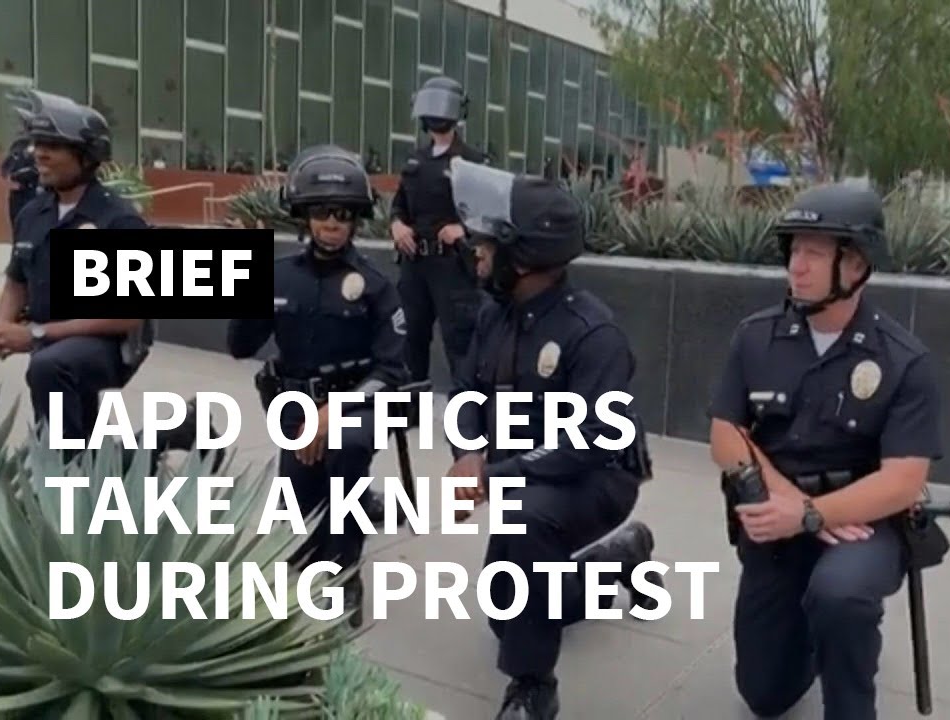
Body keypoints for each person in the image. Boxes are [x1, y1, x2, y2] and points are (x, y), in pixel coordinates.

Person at [707, 183, 943, 720]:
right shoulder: (756, 337)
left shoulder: (903, 360)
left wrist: (816, 514)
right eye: (794, 250)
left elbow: (904, 480)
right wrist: (795, 507)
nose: (797, 266)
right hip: (779, 519)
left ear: (856, 264)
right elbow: (726, 434)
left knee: (841, 594)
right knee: (765, 695)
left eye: (814, 252)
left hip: (864, 525)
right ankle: (820, 642)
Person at [445, 157, 659, 720]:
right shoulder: (496, 315)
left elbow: (590, 440)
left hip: (598, 477)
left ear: (522, 257)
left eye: (488, 243)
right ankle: (614, 562)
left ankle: (533, 687)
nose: (477, 251)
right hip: (525, 474)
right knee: (506, 609)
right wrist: (468, 453)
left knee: (528, 526)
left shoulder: (592, 332)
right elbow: (465, 393)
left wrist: (493, 476)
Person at [227, 144, 410, 628]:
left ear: (356, 219)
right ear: (303, 215)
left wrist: (333, 413)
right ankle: (321, 547)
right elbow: (241, 346)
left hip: (358, 406)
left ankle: (346, 571)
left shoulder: (376, 286)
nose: (332, 222)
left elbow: (392, 372)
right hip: (295, 407)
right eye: (322, 211)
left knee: (345, 453)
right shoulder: (279, 276)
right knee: (301, 525)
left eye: (343, 213)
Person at [0, 89, 155, 452]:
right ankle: (175, 434)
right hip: (50, 341)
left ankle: (63, 472)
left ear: (87, 156)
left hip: (109, 344)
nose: (39, 153)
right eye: (38, 143)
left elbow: (127, 316)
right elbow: (16, 282)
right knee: (73, 417)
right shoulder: (32, 213)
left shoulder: (118, 220)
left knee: (50, 370)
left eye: (54, 146)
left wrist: (35, 335)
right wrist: (3, 329)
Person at [390, 75, 488, 386]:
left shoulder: (472, 161)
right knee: (409, 341)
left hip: (453, 267)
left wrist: (463, 229)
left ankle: (467, 410)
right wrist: (397, 225)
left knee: (460, 345)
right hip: (414, 264)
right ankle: (409, 406)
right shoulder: (414, 160)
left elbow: (490, 211)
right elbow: (399, 205)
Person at [0, 133, 41, 233]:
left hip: (32, 191)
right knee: (18, 222)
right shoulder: (17, 152)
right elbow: (5, 169)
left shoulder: (35, 152)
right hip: (20, 192)